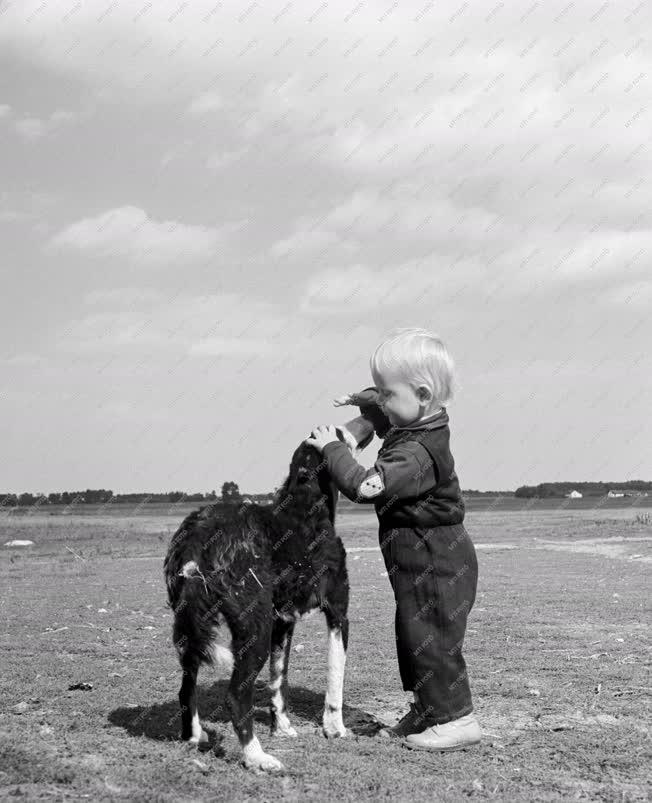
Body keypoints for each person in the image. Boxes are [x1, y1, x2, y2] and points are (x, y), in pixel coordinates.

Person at [305, 327, 481, 752]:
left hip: (437, 559)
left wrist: (333, 450)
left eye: (386, 393)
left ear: (421, 394)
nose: (380, 402)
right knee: (413, 632)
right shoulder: (415, 419)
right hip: (415, 560)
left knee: (434, 638)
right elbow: (390, 409)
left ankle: (458, 719)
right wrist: (365, 400)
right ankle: (427, 709)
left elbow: (368, 487)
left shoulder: (417, 451)